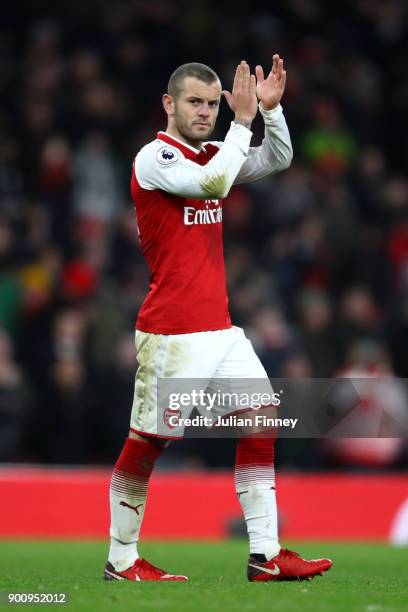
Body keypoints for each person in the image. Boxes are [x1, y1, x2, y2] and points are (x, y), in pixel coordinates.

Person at [104, 56, 332, 582]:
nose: (206, 112)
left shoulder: (213, 153)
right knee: (147, 443)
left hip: (220, 329)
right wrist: (241, 123)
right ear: (169, 104)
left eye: (213, 104)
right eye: (195, 102)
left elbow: (276, 159)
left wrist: (270, 114)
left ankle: (266, 554)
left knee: (261, 417)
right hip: (172, 333)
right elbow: (213, 185)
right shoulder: (154, 157)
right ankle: (121, 560)